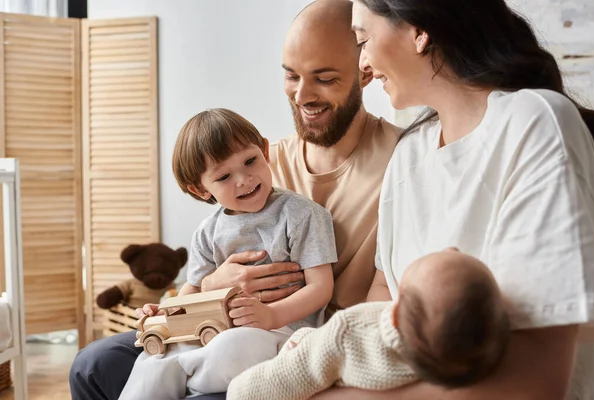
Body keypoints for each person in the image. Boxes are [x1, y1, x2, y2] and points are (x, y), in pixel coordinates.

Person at [69, 1, 402, 399]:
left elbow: (347, 292)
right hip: (217, 321)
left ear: (365, 71)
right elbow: (196, 285)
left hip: (299, 335)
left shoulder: (402, 160)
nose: (302, 94)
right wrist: (209, 286)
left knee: (217, 370)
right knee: (93, 365)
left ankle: (185, 379)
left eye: (325, 78)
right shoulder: (264, 160)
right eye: (291, 76)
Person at [306, 0, 594, 399]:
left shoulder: (533, 122)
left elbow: (537, 380)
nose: (362, 66)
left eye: (363, 39)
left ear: (418, 32)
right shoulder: (409, 155)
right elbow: (383, 299)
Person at [117, 108, 337, 400]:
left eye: (250, 161)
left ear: (264, 150)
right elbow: (192, 291)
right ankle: (180, 374)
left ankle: (188, 381)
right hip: (215, 330)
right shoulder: (208, 232)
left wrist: (270, 315)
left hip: (282, 333)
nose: (244, 179)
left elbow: (321, 288)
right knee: (152, 360)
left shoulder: (301, 214)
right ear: (200, 189)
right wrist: (164, 312)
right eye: (223, 176)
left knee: (230, 349)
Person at [227, 248, 511, 400]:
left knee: (229, 351)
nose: (451, 248)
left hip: (298, 354)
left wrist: (237, 392)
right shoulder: (445, 358)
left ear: (396, 315)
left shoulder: (350, 332)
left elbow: (292, 373)